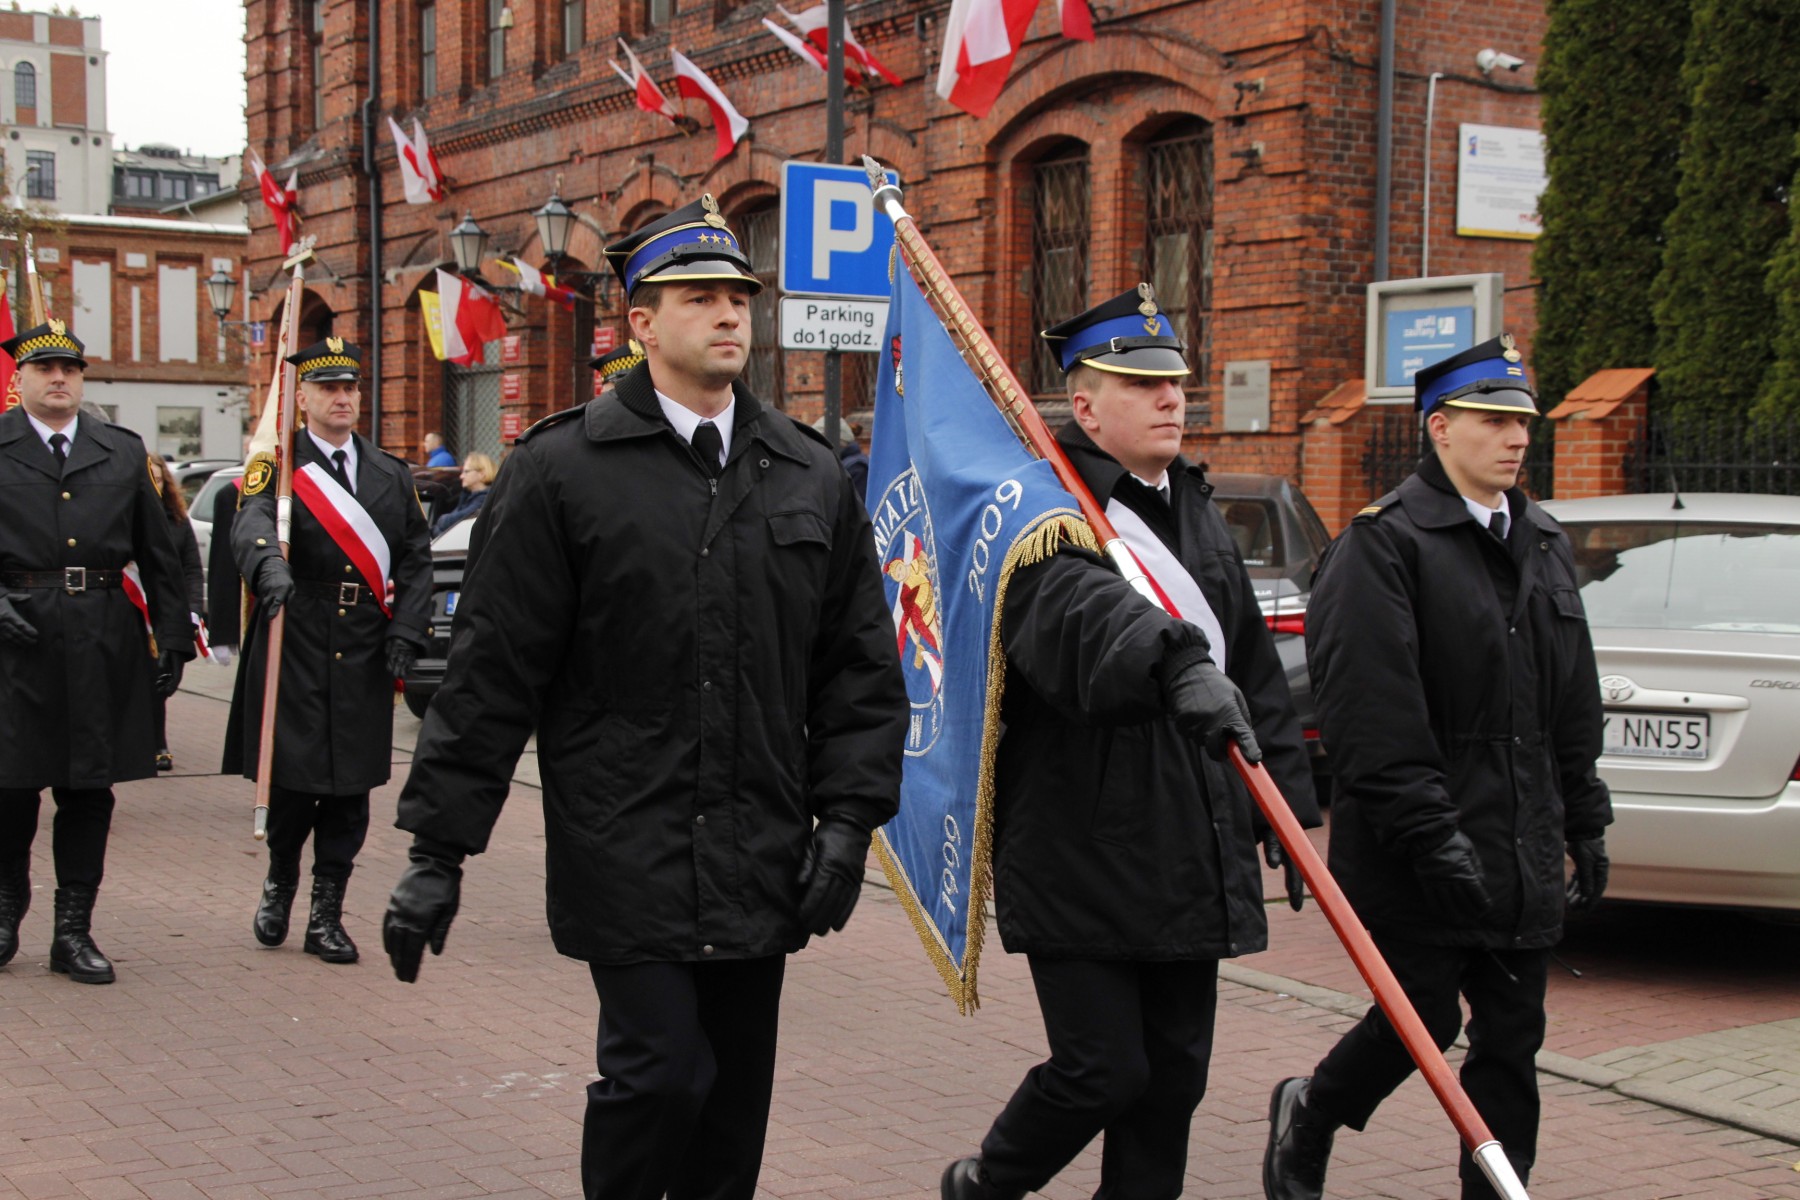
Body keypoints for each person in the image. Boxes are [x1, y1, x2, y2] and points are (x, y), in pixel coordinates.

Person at [381, 194, 908, 1200]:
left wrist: (847, 824)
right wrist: (437, 853)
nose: (728, 313)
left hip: (760, 846)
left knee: (730, 1118)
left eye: (738, 296)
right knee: (659, 1079)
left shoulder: (804, 471)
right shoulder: (563, 470)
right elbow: (493, 674)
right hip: (625, 840)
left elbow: (857, 667)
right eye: (699, 297)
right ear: (641, 323)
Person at [941, 286, 1319, 1200]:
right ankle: (986, 1184)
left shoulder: (1195, 506)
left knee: (1172, 1081)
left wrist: (1286, 804)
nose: (1170, 399)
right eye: (1142, 384)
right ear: (1085, 405)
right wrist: (1170, 663)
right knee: (1102, 1070)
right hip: (1081, 841)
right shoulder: (1040, 511)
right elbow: (1074, 623)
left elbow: (1249, 665)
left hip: (1188, 839)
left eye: (1175, 382)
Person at [1262, 334, 1612, 1200]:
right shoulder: (1384, 545)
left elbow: (1571, 700)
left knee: (1512, 1039)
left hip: (1520, 840)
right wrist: (1431, 837)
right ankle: (1314, 1109)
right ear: (1441, 427)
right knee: (1418, 1017)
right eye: (1494, 421)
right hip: (1417, 847)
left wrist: (1586, 818)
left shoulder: (1542, 540)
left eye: (1523, 421)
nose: (1516, 437)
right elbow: (1372, 718)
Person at [223, 337, 432, 965]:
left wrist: (406, 631)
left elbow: (416, 560)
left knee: (350, 790)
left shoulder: (390, 474)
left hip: (365, 644)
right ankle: (280, 881)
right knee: (294, 782)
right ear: (304, 397)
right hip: (298, 633)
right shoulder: (279, 464)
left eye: (349, 388)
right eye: (328, 388)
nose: (342, 398)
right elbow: (250, 523)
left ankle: (326, 915)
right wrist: (268, 567)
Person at [0, 320, 193, 984]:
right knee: (10, 786)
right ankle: (6, 911)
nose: (59, 379)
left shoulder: (120, 450)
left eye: (71, 369)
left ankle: (73, 931)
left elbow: (159, 552)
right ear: (19, 379)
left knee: (88, 790)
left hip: (102, 641)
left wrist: (174, 636)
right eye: (45, 369)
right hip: (16, 643)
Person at [147, 453, 205, 771]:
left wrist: (194, 612)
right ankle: (157, 744)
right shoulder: (125, 519)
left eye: (158, 479)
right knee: (149, 677)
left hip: (171, 612)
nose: (153, 485)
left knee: (168, 676)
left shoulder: (179, 522)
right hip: (137, 613)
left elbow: (193, 570)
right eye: (148, 479)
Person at [431, 452, 496, 537]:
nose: (461, 476)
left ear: (482, 474)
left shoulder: (483, 499)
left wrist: (439, 527)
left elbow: (453, 522)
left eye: (466, 471)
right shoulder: (467, 495)